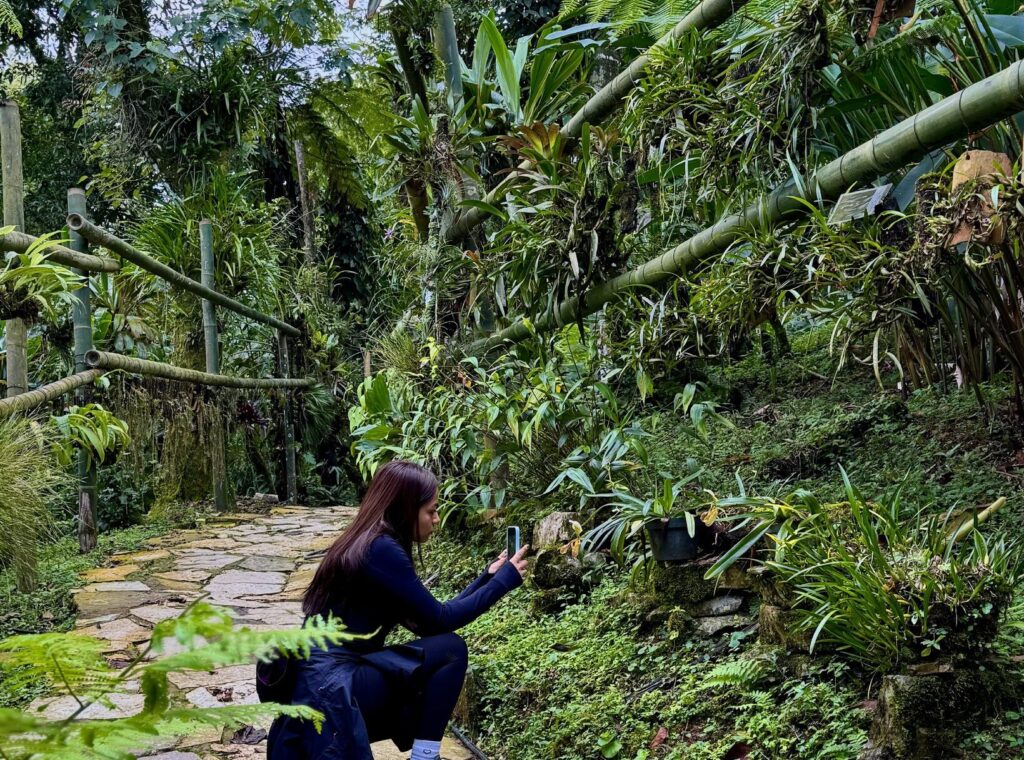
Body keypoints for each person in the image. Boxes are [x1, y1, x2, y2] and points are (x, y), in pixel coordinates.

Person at [267, 460, 529, 760]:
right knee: (451, 652)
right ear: (405, 508)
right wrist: (503, 584)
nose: (437, 519)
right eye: (431, 510)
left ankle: (424, 754)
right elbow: (440, 620)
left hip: (322, 684)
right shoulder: (380, 549)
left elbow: (429, 622)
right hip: (330, 690)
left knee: (440, 653)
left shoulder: (371, 542)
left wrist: (488, 578)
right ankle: (425, 757)